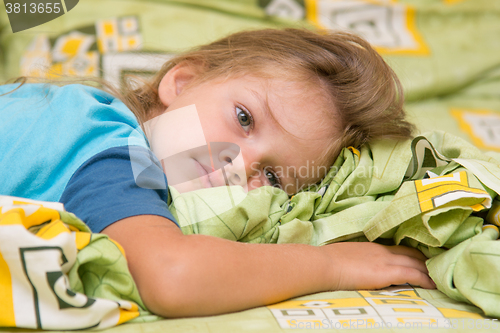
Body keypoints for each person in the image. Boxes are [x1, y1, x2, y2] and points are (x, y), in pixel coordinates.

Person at [0, 28, 435, 318]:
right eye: (244, 118)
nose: (239, 164)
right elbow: (171, 276)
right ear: (182, 82)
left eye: (272, 178)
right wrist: (332, 265)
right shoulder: (105, 148)